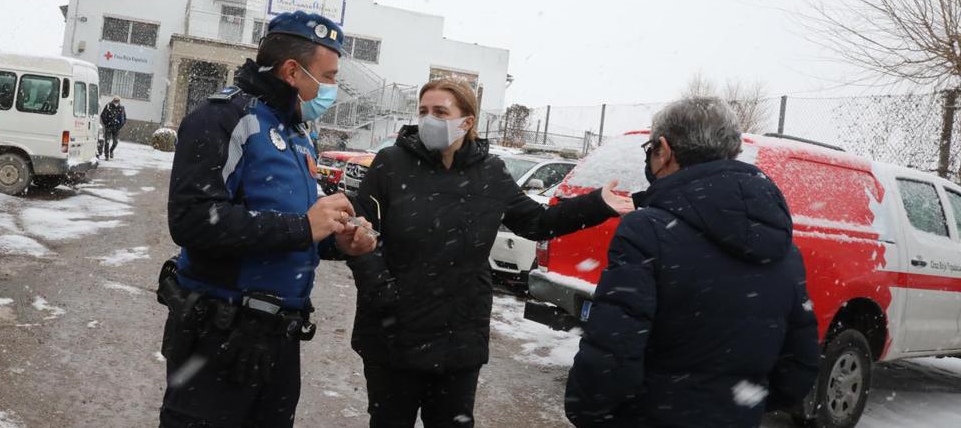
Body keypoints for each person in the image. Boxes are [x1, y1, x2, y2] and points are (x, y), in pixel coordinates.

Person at [346, 78, 634, 427]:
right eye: (423, 111)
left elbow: (537, 222)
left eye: (440, 111)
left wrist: (596, 204)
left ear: (467, 121)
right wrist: (382, 293)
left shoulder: (490, 173)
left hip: (459, 333)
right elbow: (360, 237)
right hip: (392, 333)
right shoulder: (390, 163)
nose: (428, 120)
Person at [158, 10, 377, 428]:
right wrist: (302, 227)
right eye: (328, 77)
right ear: (293, 70)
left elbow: (295, 223)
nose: (331, 89)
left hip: (278, 337)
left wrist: (335, 240)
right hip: (217, 334)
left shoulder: (296, 132)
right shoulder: (222, 117)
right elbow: (191, 219)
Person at [565, 96, 820, 427]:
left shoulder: (647, 231)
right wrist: (732, 405)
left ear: (665, 150)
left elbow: (610, 360)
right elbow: (798, 370)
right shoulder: (784, 247)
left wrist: (589, 410)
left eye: (650, 149)